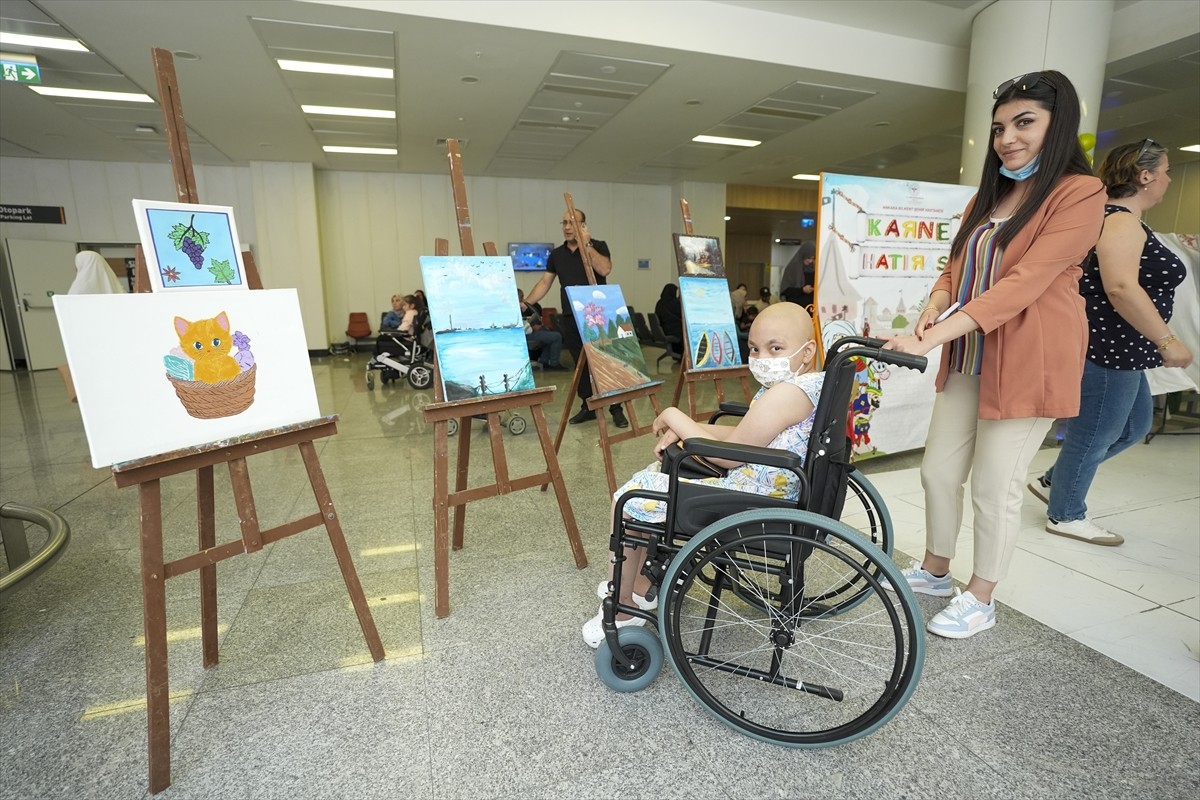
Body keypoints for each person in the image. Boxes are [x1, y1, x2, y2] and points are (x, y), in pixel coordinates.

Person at [881, 70, 1106, 639]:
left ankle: (981, 597)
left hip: (1030, 359)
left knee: (994, 485)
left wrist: (929, 339)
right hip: (970, 355)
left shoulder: (1080, 193)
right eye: (1000, 127)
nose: (1008, 138)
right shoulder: (990, 195)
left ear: (1059, 125)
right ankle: (936, 570)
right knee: (938, 471)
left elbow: (1023, 284)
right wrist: (933, 307)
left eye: (1024, 122)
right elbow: (954, 268)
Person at [583, 302, 822, 647]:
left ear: (807, 350)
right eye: (755, 348)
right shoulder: (806, 386)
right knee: (653, 476)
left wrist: (673, 414)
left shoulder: (786, 393)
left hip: (753, 500)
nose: (762, 358)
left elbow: (728, 457)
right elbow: (745, 436)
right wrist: (689, 429)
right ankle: (639, 588)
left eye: (775, 348)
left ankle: (622, 611)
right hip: (769, 487)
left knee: (629, 499)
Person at [1028, 139, 1193, 545]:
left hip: (1125, 349)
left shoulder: (1122, 219)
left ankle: (1055, 481)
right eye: (1167, 171)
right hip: (1109, 347)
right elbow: (1120, 288)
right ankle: (1065, 514)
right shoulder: (1119, 221)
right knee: (1095, 433)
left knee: (1133, 426)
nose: (1170, 180)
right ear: (1145, 175)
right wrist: (1168, 341)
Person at [521, 208, 628, 427]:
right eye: (564, 223)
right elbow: (545, 282)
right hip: (571, 316)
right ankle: (588, 406)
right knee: (581, 365)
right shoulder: (557, 254)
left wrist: (586, 244)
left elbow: (605, 269)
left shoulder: (597, 246)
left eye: (572, 223)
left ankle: (616, 408)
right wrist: (526, 303)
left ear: (583, 225)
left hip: (597, 316)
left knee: (606, 362)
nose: (567, 227)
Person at [517, 288, 567, 370]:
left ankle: (544, 361)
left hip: (527, 331)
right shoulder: (515, 309)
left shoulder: (523, 307)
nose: (523, 298)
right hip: (524, 335)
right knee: (557, 336)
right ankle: (554, 363)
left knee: (548, 333)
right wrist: (532, 327)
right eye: (521, 296)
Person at [780, 241, 816, 309]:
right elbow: (785, 291)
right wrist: (802, 290)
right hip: (795, 309)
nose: (810, 261)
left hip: (811, 309)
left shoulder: (814, 269)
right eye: (808, 258)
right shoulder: (792, 269)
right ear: (803, 255)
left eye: (813, 258)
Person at [654, 283, 684, 359]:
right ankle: (683, 356)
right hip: (673, 331)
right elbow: (682, 314)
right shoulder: (674, 303)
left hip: (663, 330)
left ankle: (676, 355)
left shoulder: (659, 303)